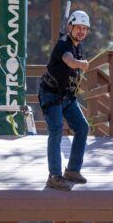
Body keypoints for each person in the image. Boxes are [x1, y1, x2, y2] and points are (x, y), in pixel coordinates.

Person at [38, 10, 90, 191]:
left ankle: (72, 170)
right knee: (56, 131)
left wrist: (79, 63)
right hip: (51, 96)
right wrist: (80, 64)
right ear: (70, 27)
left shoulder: (78, 46)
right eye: (78, 28)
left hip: (67, 97)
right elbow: (69, 60)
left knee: (82, 128)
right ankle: (54, 176)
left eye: (84, 28)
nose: (81, 31)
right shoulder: (63, 44)